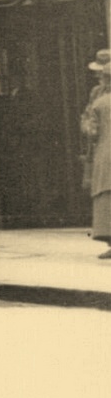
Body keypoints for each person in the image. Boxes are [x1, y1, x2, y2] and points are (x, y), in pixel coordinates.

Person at [81, 50, 111, 258]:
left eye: (101, 72)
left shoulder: (100, 99)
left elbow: (91, 126)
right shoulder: (95, 92)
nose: (97, 76)